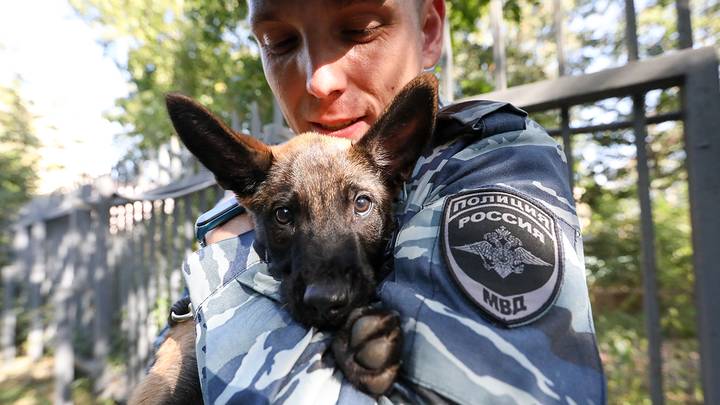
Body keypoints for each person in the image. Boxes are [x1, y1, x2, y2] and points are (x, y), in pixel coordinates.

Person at [179, 0, 605, 403]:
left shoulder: (493, 166)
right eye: (280, 42)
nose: (318, 80)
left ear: (429, 28)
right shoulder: (269, 182)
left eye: (358, 30)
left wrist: (230, 263)